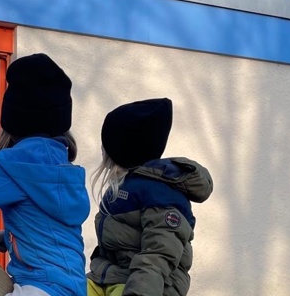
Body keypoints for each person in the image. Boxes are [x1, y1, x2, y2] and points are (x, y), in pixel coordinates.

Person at [0, 53, 90, 296]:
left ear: (12, 123)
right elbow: (53, 231)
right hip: (72, 288)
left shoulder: (13, 165)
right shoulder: (64, 170)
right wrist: (8, 236)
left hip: (38, 288)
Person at [87, 98, 213, 296]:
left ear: (123, 149)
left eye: (107, 144)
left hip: (149, 286)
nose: (102, 149)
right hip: (112, 278)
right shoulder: (123, 187)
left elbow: (158, 255)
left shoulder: (161, 196)